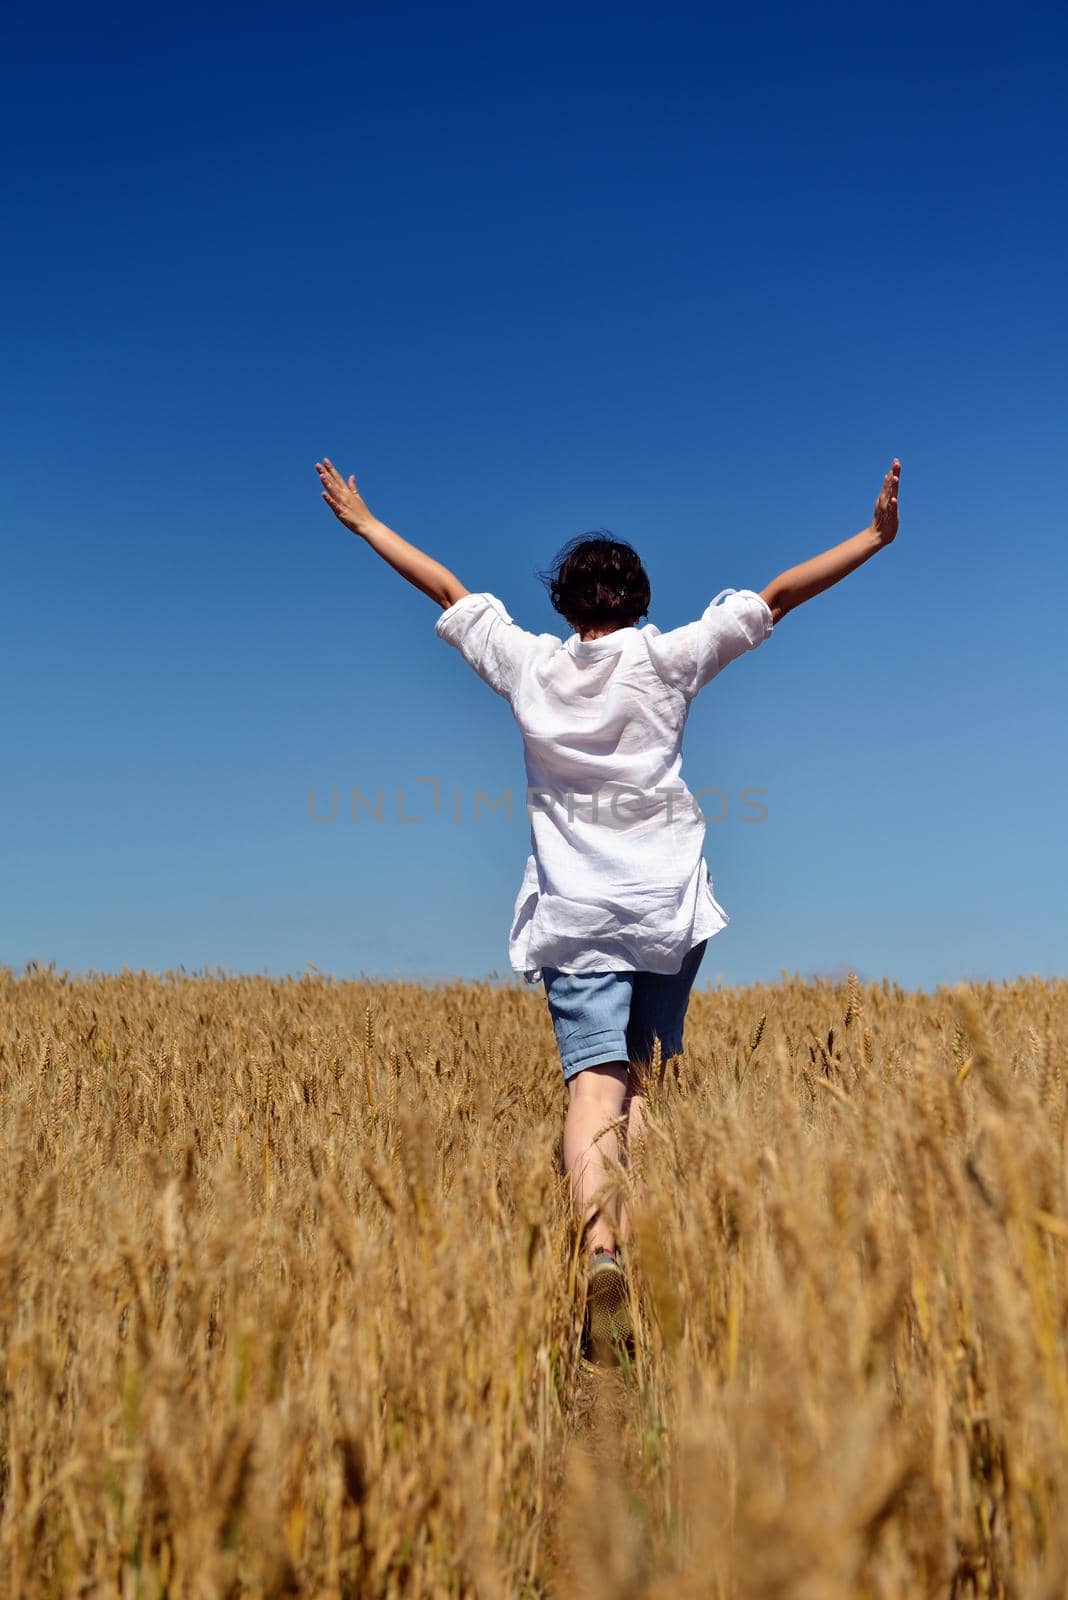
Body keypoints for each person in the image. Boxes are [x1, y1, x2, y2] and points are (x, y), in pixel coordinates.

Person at [315, 454, 902, 1358]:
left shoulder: (530, 669)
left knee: (595, 1083)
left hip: (577, 910)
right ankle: (652, 1251)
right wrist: (871, 536)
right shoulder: (667, 659)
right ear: (638, 598)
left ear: (564, 606)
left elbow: (444, 586)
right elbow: (778, 596)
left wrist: (363, 523)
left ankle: (602, 1247)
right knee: (646, 1077)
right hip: (666, 904)